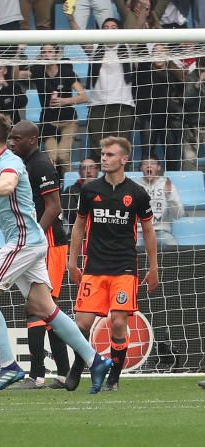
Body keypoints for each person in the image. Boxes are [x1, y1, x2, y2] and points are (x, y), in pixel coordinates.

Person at [0, 112, 112, 394]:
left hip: (23, 240)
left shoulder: (12, 163)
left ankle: (8, 366)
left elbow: (8, 184)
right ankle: (95, 359)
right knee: (45, 308)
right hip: (31, 241)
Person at [67, 136, 159, 392]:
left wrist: (154, 268)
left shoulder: (137, 193)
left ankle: (114, 378)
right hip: (94, 266)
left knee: (118, 323)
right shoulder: (90, 190)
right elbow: (79, 226)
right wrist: (72, 262)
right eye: (103, 154)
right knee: (81, 324)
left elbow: (149, 232)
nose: (103, 158)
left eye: (109, 155)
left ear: (124, 159)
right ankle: (77, 367)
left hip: (124, 268)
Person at [7, 121, 72, 390]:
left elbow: (54, 207)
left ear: (32, 140)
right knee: (46, 309)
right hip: (38, 242)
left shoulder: (42, 165)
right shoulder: (23, 163)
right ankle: (65, 373)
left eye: (17, 138)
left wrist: (34, 237)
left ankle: (37, 375)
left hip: (50, 243)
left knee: (40, 307)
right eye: (9, 138)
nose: (12, 142)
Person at [19, 44, 88, 172]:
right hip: (48, 122)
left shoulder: (66, 71)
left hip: (69, 121)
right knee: (52, 156)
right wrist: (18, 53)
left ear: (56, 54)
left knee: (63, 155)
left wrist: (64, 101)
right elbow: (16, 75)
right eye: (44, 52)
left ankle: (67, 190)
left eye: (50, 51)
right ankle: (53, 188)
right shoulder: (38, 71)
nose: (47, 54)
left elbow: (84, 97)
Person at [84, 18, 136, 160]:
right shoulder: (95, 48)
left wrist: (143, 8)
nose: (109, 30)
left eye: (113, 27)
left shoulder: (128, 47)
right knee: (98, 149)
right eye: (106, 27)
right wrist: (70, 18)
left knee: (121, 149)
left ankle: (121, 180)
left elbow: (137, 27)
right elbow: (80, 39)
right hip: (97, 106)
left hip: (123, 106)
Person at [134, 154, 184, 247]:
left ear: (158, 167)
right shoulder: (134, 186)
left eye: (152, 163)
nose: (149, 166)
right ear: (140, 168)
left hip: (161, 231)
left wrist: (169, 196)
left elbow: (178, 215)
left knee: (173, 247)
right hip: (140, 231)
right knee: (131, 248)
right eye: (145, 164)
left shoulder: (167, 185)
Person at [62, 158, 99, 231]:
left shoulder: (105, 189)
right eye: (84, 168)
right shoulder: (70, 191)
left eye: (91, 167)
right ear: (79, 172)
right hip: (79, 230)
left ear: (97, 171)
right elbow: (70, 215)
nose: (88, 171)